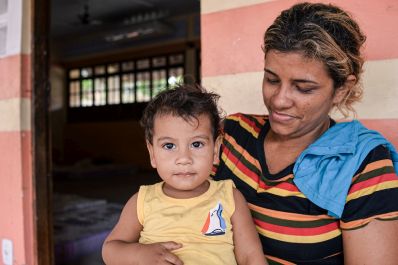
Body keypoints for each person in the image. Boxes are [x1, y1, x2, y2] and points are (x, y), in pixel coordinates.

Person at [213, 2, 398, 265]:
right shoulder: (231, 136)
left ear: (342, 90)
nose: (279, 100)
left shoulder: (361, 165)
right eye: (272, 79)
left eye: (303, 88)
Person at [102, 84, 267, 265]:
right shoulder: (141, 201)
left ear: (215, 149)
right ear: (152, 153)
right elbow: (110, 249)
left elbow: (250, 256)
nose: (184, 159)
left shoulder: (230, 197)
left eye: (196, 144)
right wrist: (139, 254)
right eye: (169, 146)